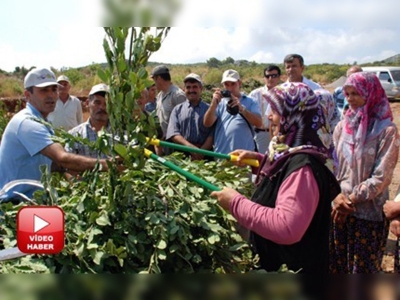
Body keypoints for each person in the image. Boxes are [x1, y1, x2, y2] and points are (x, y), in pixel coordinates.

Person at [211, 82, 340, 274]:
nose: (269, 116)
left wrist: (236, 203)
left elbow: (286, 227)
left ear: (294, 114)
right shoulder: (293, 151)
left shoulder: (303, 168)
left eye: (275, 110)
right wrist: (259, 161)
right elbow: (285, 174)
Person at [0, 68, 119, 201]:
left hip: (29, 201)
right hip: (13, 204)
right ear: (28, 95)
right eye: (44, 90)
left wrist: (83, 184)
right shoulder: (27, 123)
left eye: (54, 89)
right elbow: (62, 158)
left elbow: (55, 165)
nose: (51, 95)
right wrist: (107, 165)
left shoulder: (42, 122)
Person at [330, 72, 400, 274]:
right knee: (338, 268)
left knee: (362, 274)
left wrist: (350, 199)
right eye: (348, 93)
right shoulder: (342, 127)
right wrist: (337, 196)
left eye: (356, 94)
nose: (350, 99)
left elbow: (382, 177)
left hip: (368, 214)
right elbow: (334, 165)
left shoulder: (386, 130)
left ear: (370, 94)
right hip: (339, 209)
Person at [203, 69, 262, 154]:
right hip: (222, 154)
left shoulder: (251, 101)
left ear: (239, 83)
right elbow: (207, 123)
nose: (230, 88)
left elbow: (259, 123)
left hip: (245, 154)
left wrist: (242, 109)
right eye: (226, 84)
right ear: (223, 85)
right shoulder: (219, 103)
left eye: (233, 84)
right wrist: (213, 103)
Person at [166, 73, 214, 160]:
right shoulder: (177, 109)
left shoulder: (210, 109)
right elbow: (173, 133)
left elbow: (212, 134)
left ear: (201, 89)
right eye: (188, 87)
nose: (191, 90)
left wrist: (201, 152)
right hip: (182, 155)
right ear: (184, 89)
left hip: (205, 156)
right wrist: (190, 147)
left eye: (195, 87)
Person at [66, 83, 111, 159]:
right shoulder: (74, 135)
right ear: (87, 103)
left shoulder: (122, 135)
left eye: (107, 103)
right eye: (97, 103)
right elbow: (69, 165)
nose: (102, 107)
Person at [151, 65, 186, 155]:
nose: (154, 83)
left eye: (154, 79)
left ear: (159, 79)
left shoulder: (178, 95)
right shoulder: (159, 96)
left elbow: (184, 123)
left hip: (176, 144)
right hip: (163, 142)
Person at [248, 65, 281, 154]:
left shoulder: (284, 93)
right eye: (267, 76)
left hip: (279, 134)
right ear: (264, 78)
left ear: (279, 77)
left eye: (274, 76)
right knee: (262, 161)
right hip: (261, 134)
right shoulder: (255, 94)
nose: (270, 78)